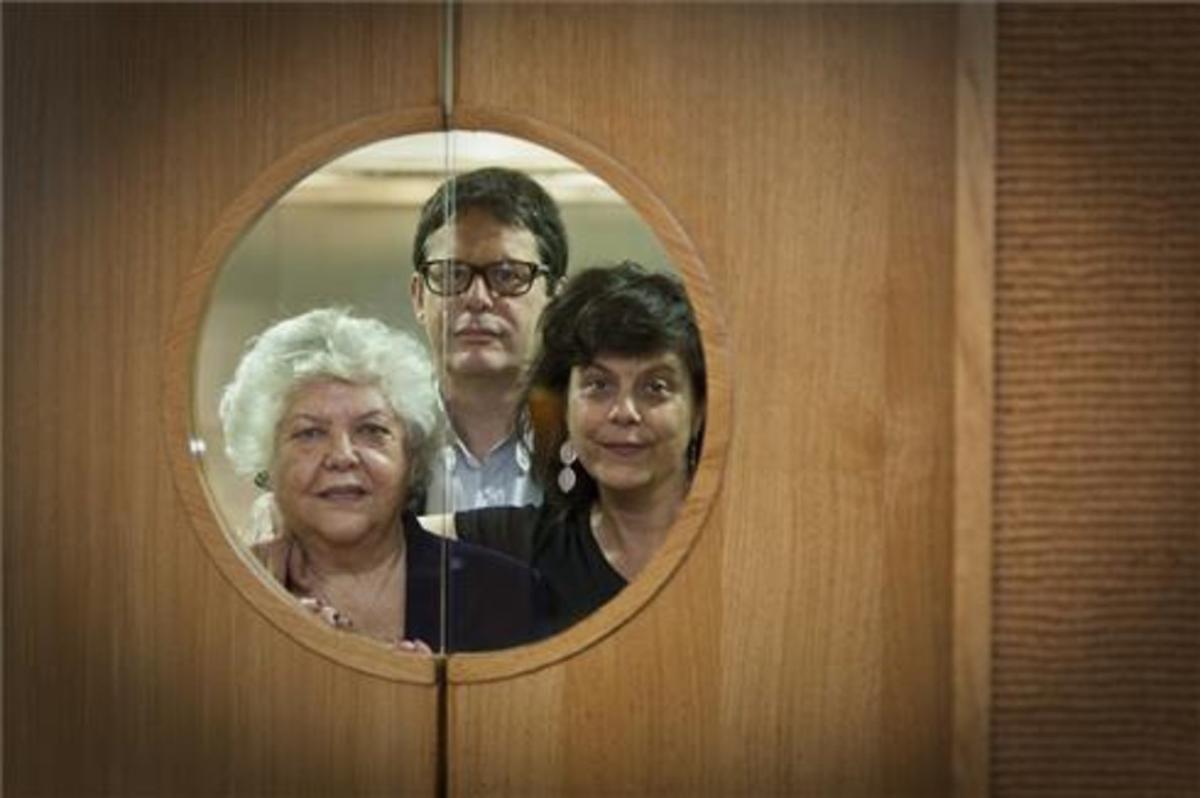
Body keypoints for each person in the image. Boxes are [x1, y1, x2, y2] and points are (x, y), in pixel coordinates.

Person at [218, 308, 546, 652]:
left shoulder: (508, 595)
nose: (342, 456)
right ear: (267, 460)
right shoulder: (228, 597)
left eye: (371, 430)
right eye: (310, 433)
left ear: (412, 455)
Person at [435, 262, 706, 636]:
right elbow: (371, 543)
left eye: (655, 387)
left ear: (699, 411)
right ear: (565, 404)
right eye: (598, 385)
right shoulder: (521, 545)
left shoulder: (742, 545)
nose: (624, 413)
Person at [409, 167, 568, 513]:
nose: (478, 298)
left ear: (556, 299)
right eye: (452, 273)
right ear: (419, 297)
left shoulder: (596, 444)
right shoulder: (379, 442)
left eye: (507, 275)